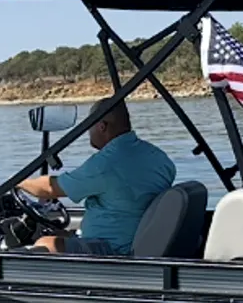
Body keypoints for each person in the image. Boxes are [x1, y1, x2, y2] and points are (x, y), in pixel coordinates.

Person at [17, 103, 174, 254]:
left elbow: (50, 189)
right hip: (136, 239)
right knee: (61, 234)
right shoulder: (160, 158)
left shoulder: (106, 163)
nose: (88, 132)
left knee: (46, 244)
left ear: (101, 126)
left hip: (115, 250)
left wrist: (18, 182)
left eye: (89, 126)